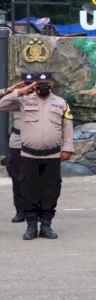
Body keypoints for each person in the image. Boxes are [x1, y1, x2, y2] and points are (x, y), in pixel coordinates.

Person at [0, 72, 73, 240]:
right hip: (29, 155)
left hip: (52, 155)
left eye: (46, 83)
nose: (43, 87)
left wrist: (68, 147)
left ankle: (46, 225)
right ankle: (31, 225)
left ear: (52, 84)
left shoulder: (61, 103)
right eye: (39, 84)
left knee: (51, 189)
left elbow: (67, 126)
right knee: (28, 189)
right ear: (34, 85)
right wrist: (20, 91)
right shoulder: (23, 100)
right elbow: (2, 104)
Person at [1, 72, 34, 224]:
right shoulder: (16, 100)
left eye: (31, 84)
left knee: (37, 177)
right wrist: (11, 91)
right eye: (25, 84)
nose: (28, 87)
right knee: (17, 176)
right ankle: (20, 210)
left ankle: (35, 209)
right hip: (17, 141)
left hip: (35, 141)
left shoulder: (45, 99)